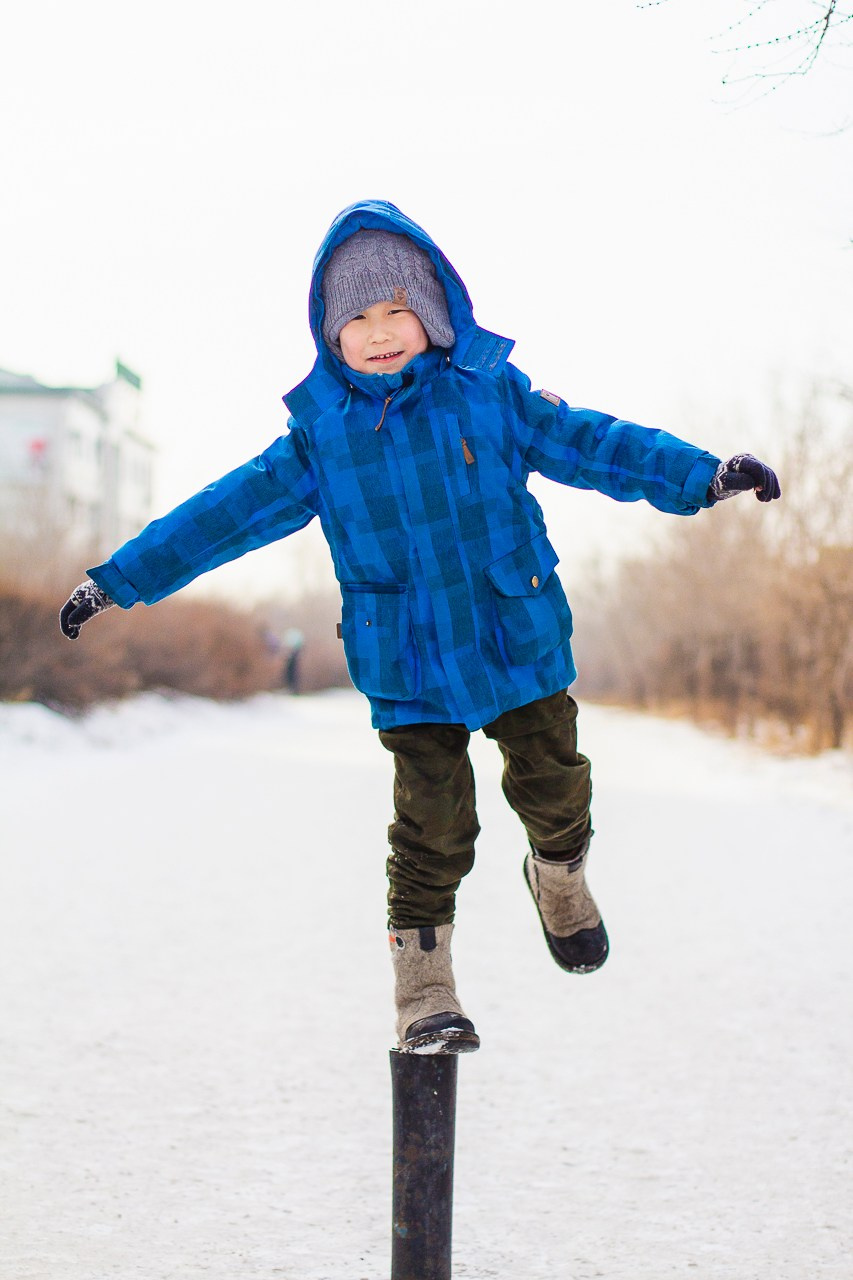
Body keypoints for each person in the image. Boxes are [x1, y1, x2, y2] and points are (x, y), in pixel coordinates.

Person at [59, 199, 781, 1054]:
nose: (377, 331)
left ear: (433, 312)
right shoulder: (318, 439)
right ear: (330, 338)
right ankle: (424, 991)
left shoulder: (492, 395)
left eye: (395, 309)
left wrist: (702, 474)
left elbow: (598, 444)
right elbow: (220, 517)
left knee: (557, 790)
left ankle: (558, 876)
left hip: (517, 641)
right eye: (355, 319)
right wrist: (117, 580)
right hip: (407, 662)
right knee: (431, 828)